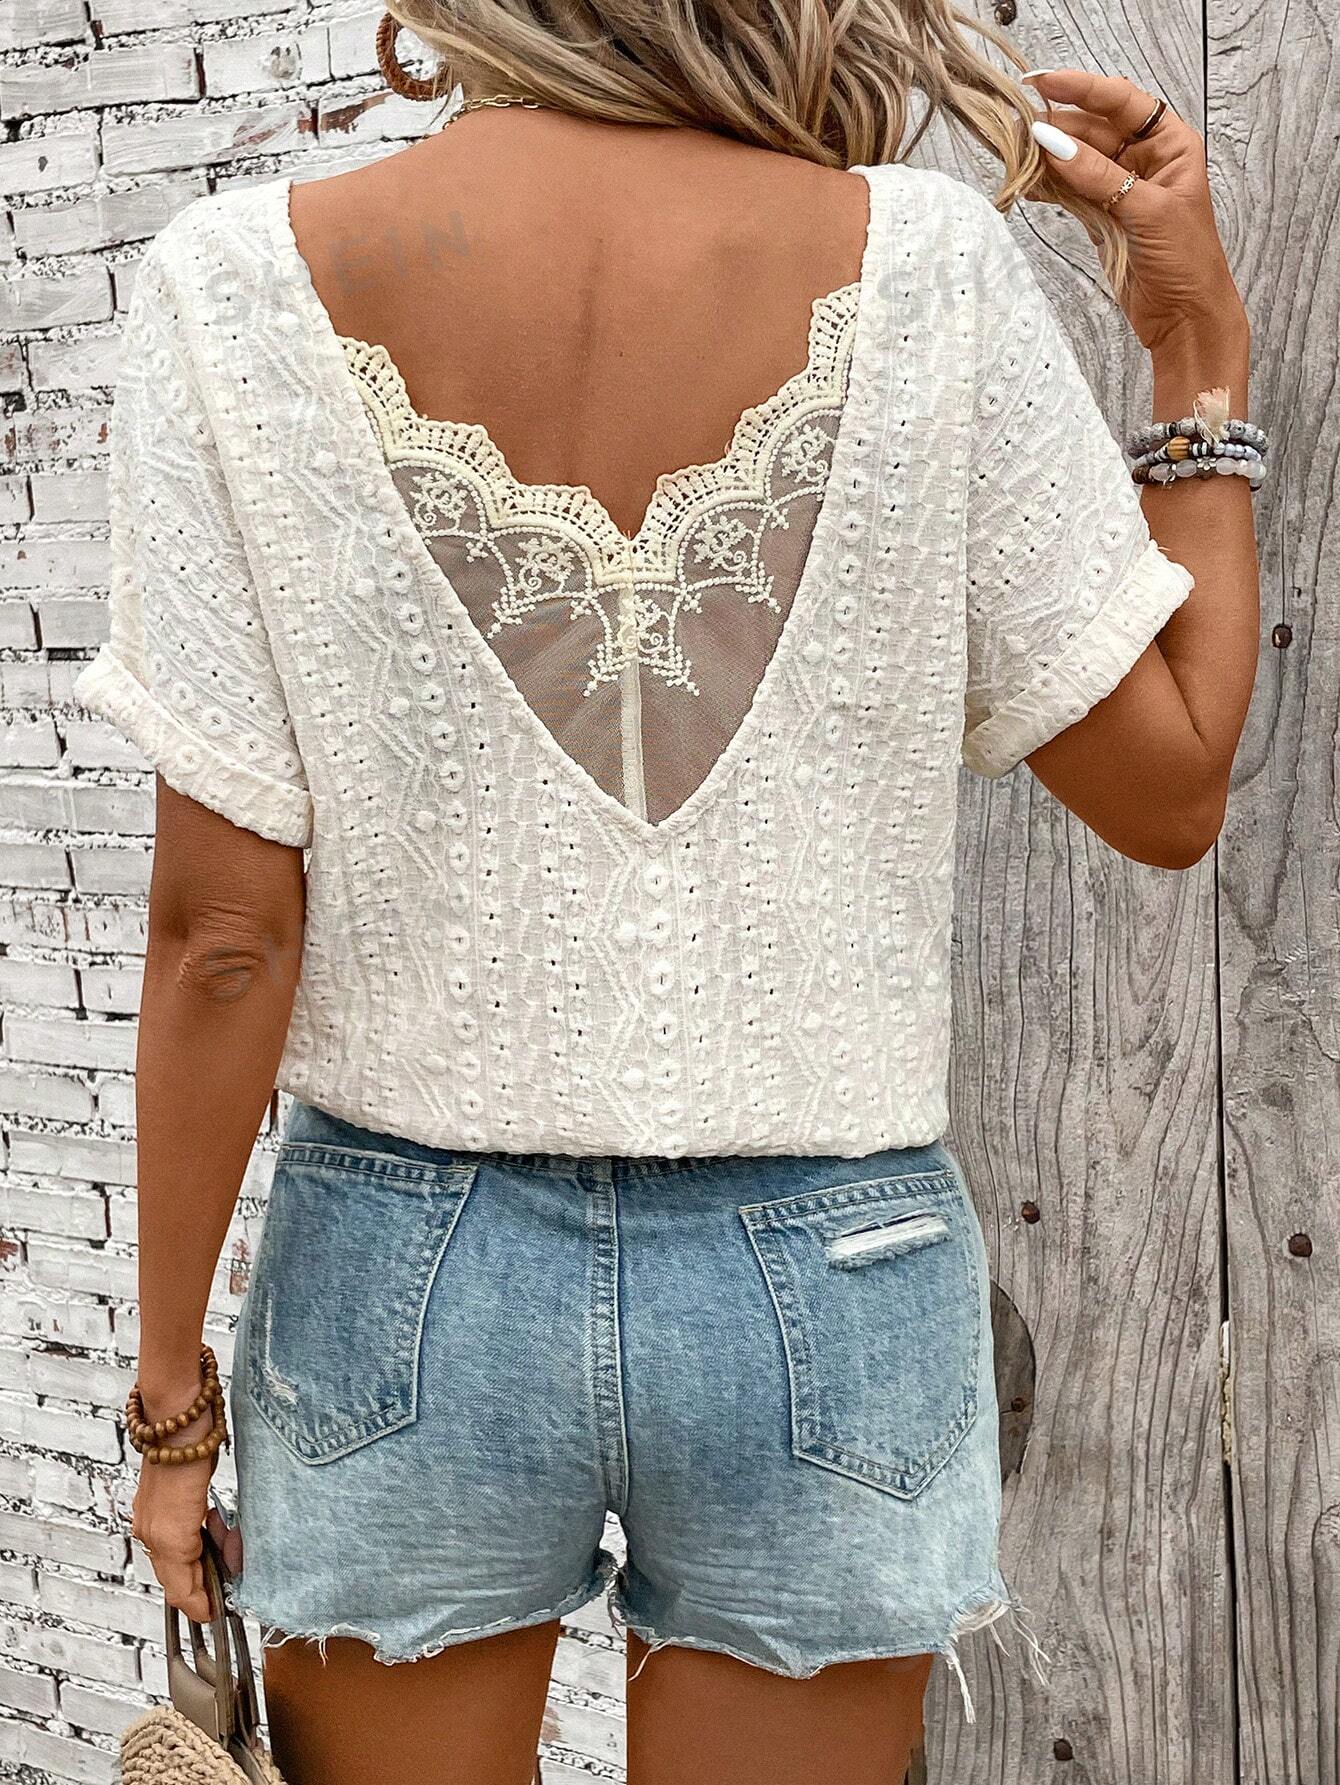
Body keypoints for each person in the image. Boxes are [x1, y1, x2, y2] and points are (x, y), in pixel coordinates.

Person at [74, 0, 1259, 1776]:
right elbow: (1172, 787)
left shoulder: (227, 285)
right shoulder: (929, 265)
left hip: (407, 1271)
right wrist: (1192, 350)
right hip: (835, 1274)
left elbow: (222, 938)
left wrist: (173, 1412)